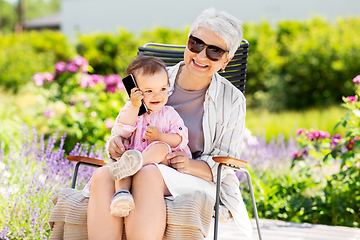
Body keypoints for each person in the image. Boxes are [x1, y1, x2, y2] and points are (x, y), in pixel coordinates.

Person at [87, 7, 252, 240]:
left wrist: (186, 165)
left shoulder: (232, 100)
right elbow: (130, 124)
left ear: (226, 59)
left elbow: (225, 165)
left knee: (148, 174)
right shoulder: (155, 81)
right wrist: (117, 142)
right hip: (141, 162)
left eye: (214, 52)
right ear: (187, 42)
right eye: (196, 44)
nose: (201, 56)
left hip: (195, 177)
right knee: (103, 176)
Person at [108, 55, 192, 218]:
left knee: (160, 147)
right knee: (125, 158)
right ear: (135, 91)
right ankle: (122, 195)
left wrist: (161, 136)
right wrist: (134, 106)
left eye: (162, 89)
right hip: (133, 162)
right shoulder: (132, 110)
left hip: (162, 165)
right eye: (148, 91)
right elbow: (122, 131)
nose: (157, 96)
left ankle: (136, 162)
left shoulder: (169, 113)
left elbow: (181, 139)